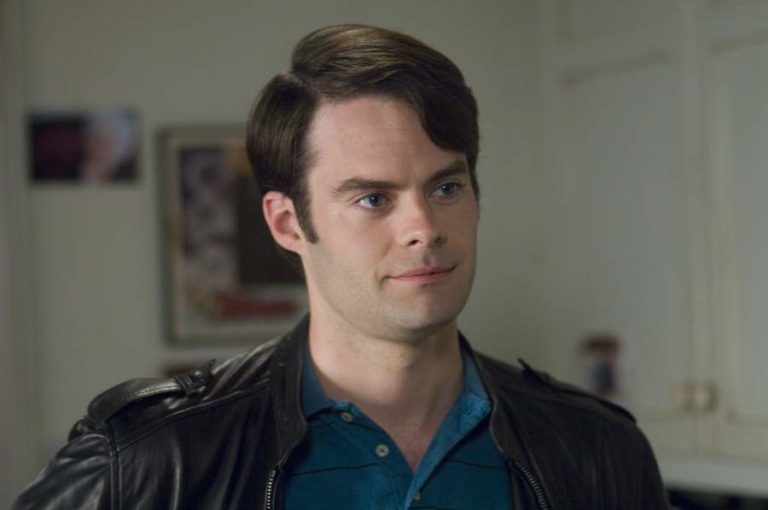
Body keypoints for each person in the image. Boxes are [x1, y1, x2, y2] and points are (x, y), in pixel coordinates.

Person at [14, 25, 670, 509]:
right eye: (373, 199)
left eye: (446, 187)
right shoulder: (150, 460)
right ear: (288, 223)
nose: (423, 227)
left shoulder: (596, 450)